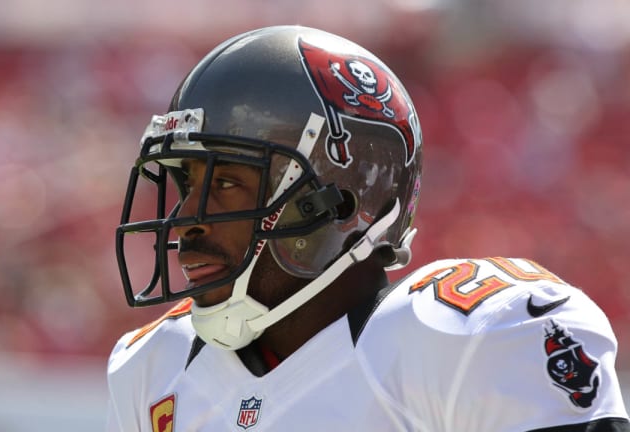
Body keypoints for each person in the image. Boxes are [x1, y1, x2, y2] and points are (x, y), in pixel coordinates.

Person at [107, 25, 629, 431]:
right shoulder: (156, 368)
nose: (187, 218)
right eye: (186, 182)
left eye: (225, 185)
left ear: (342, 202)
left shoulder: (470, 339)